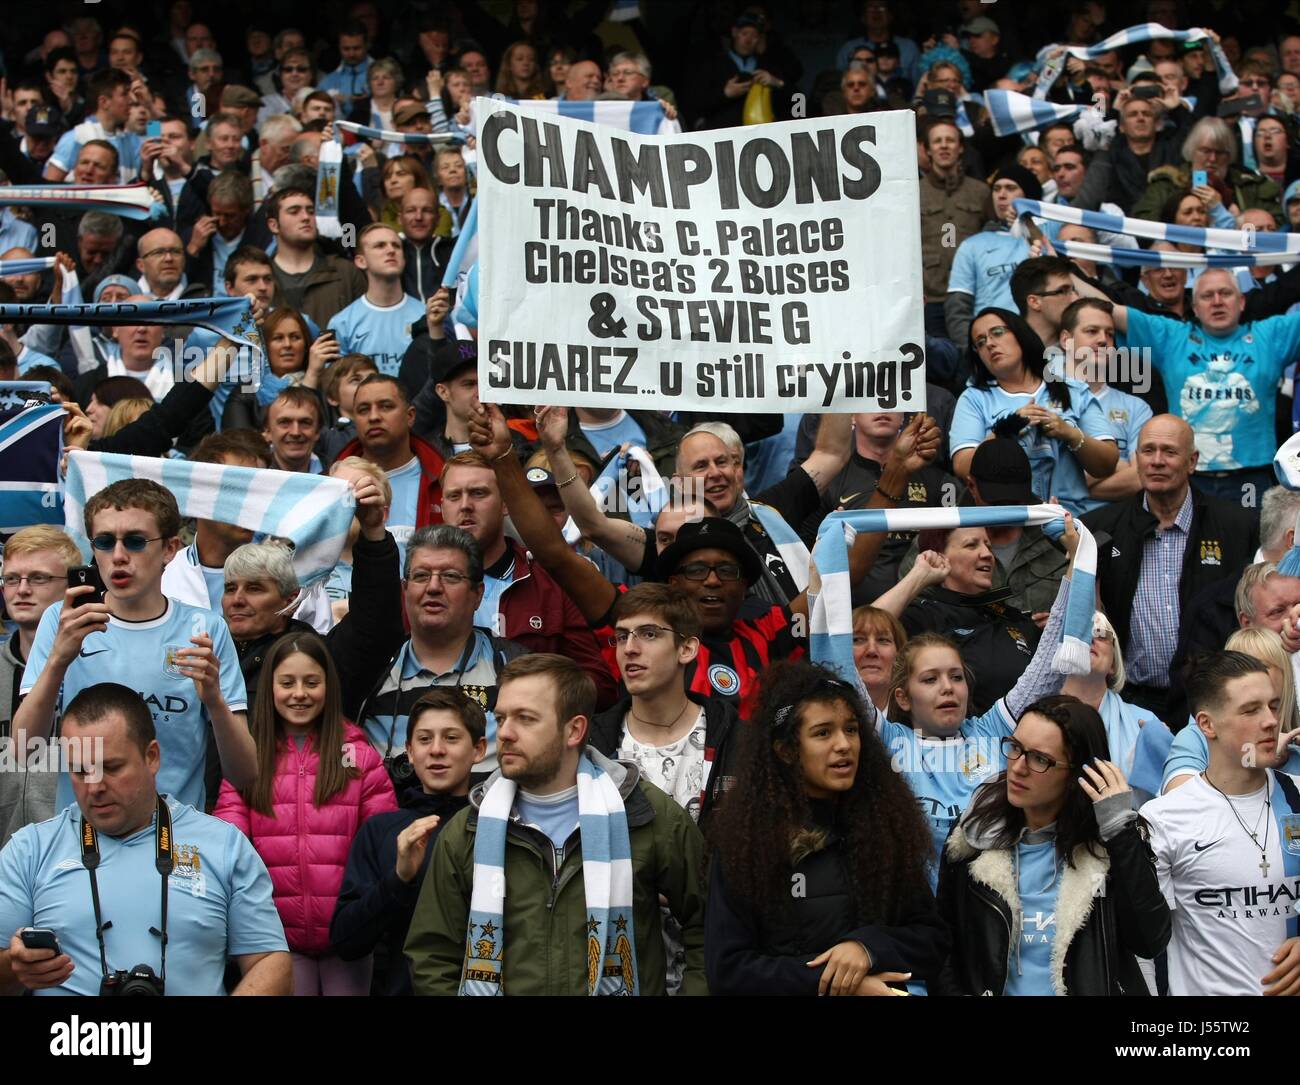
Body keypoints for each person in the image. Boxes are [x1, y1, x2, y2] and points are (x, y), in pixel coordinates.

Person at [404, 653, 708, 995]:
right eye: (501, 718)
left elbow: (713, 924)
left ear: (574, 729)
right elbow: (432, 955)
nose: (504, 732)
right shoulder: (468, 829)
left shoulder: (644, 813)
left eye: (525, 719)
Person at [0, 683, 291, 995]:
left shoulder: (224, 845)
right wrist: (16, 968)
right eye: (80, 770)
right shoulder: (30, 849)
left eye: (111, 767)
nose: (94, 786)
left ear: (152, 756)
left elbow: (271, 962)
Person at [706, 660, 947, 995]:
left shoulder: (887, 828)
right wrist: (842, 984)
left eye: (851, 729)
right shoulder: (747, 842)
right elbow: (728, 970)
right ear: (787, 750)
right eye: (823, 733)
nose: (844, 745)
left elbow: (932, 941)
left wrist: (866, 948)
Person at [14, 479, 254, 814]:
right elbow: (25, 751)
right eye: (105, 542)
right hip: (84, 839)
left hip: (175, 840)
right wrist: (58, 661)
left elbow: (245, 773)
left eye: (136, 541)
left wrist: (215, 702)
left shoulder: (205, 628)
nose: (119, 556)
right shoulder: (64, 620)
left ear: (169, 549)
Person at [937, 695, 1171, 995]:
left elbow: (1150, 940)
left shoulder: (1112, 845)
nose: (1018, 767)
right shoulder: (973, 836)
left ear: (1078, 774)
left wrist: (1120, 833)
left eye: (1040, 759)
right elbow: (943, 945)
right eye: (1015, 748)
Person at [214, 632, 396, 996]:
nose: (300, 693)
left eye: (312, 682)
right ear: (270, 688)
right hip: (275, 941)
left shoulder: (358, 756)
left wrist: (365, 915)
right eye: (287, 682)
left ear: (329, 686)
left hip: (347, 939)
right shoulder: (250, 757)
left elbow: (381, 843)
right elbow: (228, 844)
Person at [1140, 652, 1300, 995]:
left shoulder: (1297, 797)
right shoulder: (1164, 818)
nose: (1271, 720)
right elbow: (1145, 943)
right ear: (1207, 724)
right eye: (1251, 710)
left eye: (1273, 706)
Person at [1084, 415, 1259, 716]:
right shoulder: (1100, 529)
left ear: (1192, 461)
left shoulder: (1239, 527)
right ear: (1136, 459)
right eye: (1148, 451)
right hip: (1131, 701)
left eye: (1169, 451)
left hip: (1215, 699)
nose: (1157, 461)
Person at [330, 687, 485, 995]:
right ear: (410, 751)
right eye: (425, 739)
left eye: (451, 738)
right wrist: (398, 880)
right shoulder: (382, 831)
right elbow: (346, 941)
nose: (436, 750)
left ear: (478, 750)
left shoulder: (497, 826)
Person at [438, 450, 617, 707]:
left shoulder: (550, 580)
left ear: (505, 504)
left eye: (479, 493)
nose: (465, 505)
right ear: (442, 506)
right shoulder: (420, 585)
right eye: (454, 496)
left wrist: (537, 695)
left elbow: (599, 683)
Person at [1103, 270, 1300, 499]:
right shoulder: (1172, 336)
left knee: (1251, 535)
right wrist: (1063, 265)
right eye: (1207, 296)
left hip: (1252, 476)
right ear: (1195, 307)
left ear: (1242, 301)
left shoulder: (1270, 335)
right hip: (1188, 475)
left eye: (1225, 293)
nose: (1217, 302)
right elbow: (1104, 309)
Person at [352, 525, 526, 770]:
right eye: (421, 575)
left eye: (451, 576)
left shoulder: (515, 667)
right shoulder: (370, 669)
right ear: (405, 589)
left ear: (477, 594)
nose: (433, 587)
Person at [952, 309, 1117, 516]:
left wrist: (1069, 433)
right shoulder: (974, 398)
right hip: (1006, 519)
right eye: (981, 342)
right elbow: (962, 466)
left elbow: (1108, 463)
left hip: (1070, 518)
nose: (990, 343)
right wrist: (1005, 431)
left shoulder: (1072, 390)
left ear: (1020, 333)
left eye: (998, 332)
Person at [0, 527, 82, 845]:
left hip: (77, 853)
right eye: (11, 579)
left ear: (72, 585)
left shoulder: (99, 663)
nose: (22, 590)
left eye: (38, 578)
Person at [1162, 628, 1300, 793]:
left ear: (1286, 674)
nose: (1250, 674)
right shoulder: (1198, 733)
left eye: (1258, 665)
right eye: (1235, 666)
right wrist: (1259, 760)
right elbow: (1178, 800)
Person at [1061, 611, 1174, 804]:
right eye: (1080, 632)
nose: (1091, 638)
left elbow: (1170, 800)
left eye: (1101, 633)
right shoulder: (1032, 716)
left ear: (1113, 663)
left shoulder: (1146, 722)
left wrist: (1163, 748)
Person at [334, 374, 447, 563]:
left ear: (410, 416)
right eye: (363, 410)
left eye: (386, 406)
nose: (374, 417)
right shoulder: (331, 482)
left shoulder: (443, 480)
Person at [1056, 298, 1151, 504]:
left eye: (1110, 334)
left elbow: (1140, 477)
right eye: (1092, 331)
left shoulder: (1136, 408)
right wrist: (1118, 464)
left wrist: (1065, 486)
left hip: (1115, 528)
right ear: (1066, 340)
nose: (1103, 340)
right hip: (1055, 525)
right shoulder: (1042, 397)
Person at [327, 224, 425, 380]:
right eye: (380, 246)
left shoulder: (424, 315)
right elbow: (335, 385)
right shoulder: (342, 323)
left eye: (396, 246)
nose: (391, 250)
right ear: (360, 261)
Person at [919, 117, 988, 338]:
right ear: (927, 150)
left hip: (972, 294)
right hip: (931, 296)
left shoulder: (981, 191)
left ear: (960, 148)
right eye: (937, 141)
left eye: (950, 140)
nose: (944, 145)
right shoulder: (912, 192)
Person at [266, 185, 366, 329]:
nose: (306, 217)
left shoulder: (345, 272)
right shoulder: (261, 277)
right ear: (274, 225)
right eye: (294, 212)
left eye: (311, 211)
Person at [850, 605, 906, 713]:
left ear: (899, 655)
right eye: (857, 640)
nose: (872, 650)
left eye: (882, 640)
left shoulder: (917, 723)